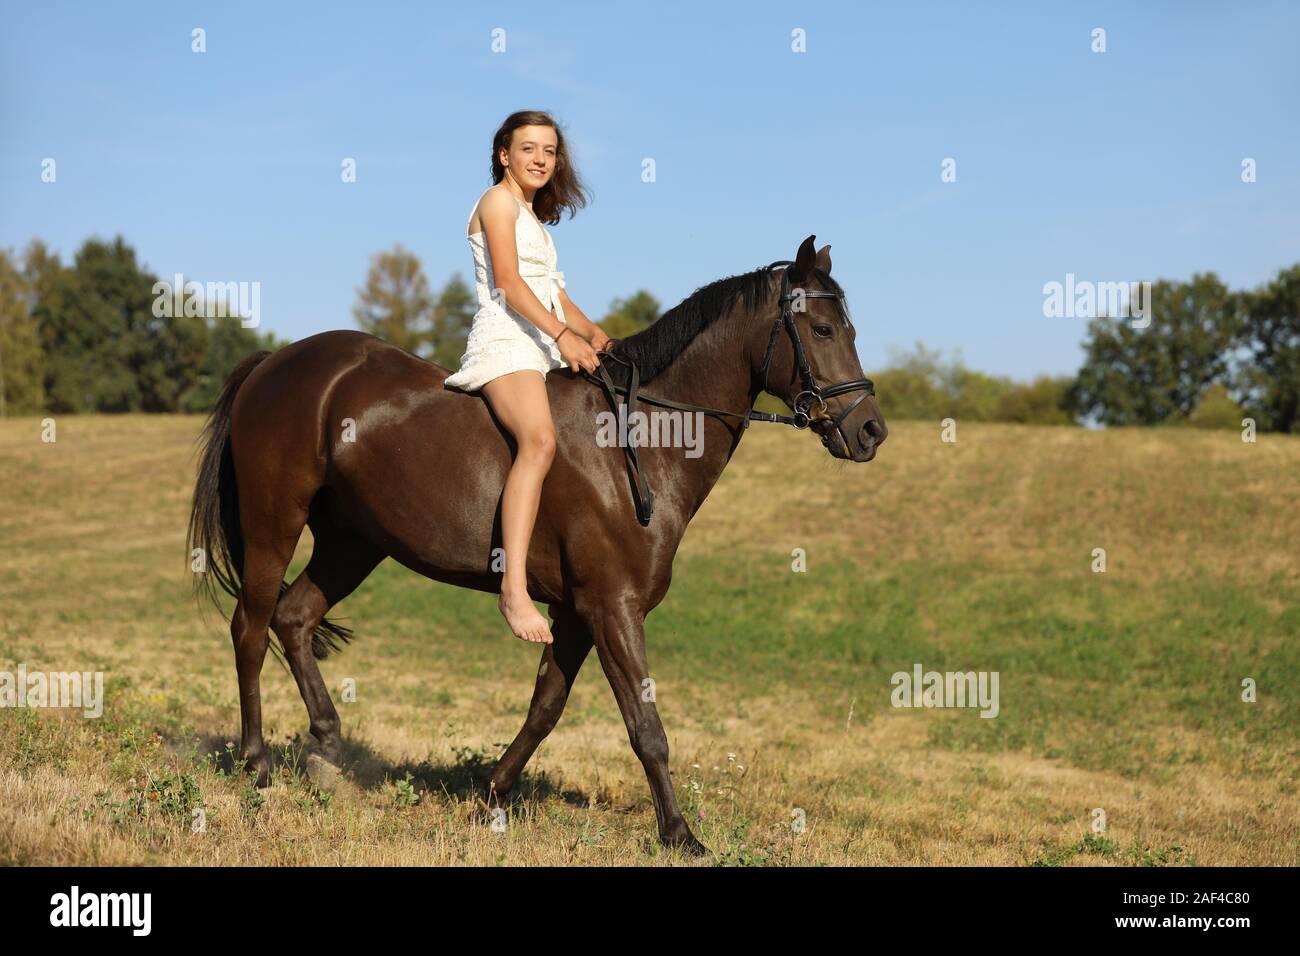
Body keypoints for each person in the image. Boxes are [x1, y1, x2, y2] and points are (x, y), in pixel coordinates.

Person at [444, 110, 610, 644]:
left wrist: (597, 334)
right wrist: (565, 337)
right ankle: (514, 589)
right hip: (507, 340)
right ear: (504, 155)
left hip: (542, 340)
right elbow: (512, 286)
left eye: (550, 151)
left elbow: (553, 293)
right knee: (539, 441)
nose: (540, 159)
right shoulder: (496, 202)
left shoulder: (536, 220)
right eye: (529, 149)